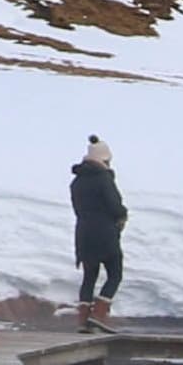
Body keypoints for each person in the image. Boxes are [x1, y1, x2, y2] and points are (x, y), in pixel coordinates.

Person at [70, 137, 127, 327]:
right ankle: (99, 315)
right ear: (104, 159)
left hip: (84, 234)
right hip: (105, 234)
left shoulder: (76, 182)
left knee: (89, 277)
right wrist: (122, 214)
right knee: (115, 273)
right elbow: (115, 206)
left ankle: (83, 319)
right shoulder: (104, 179)